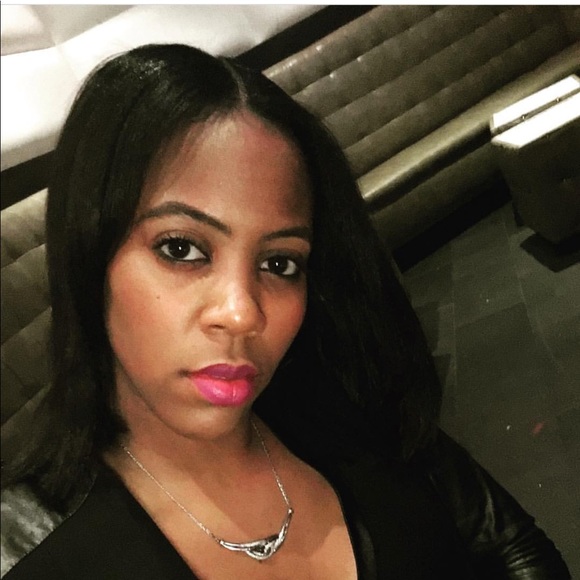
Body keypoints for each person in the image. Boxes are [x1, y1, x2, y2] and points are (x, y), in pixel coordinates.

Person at [0, 43, 571, 580]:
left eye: (279, 263)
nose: (242, 314)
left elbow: (508, 544)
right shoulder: (37, 551)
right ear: (89, 256)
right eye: (181, 249)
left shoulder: (346, 392)